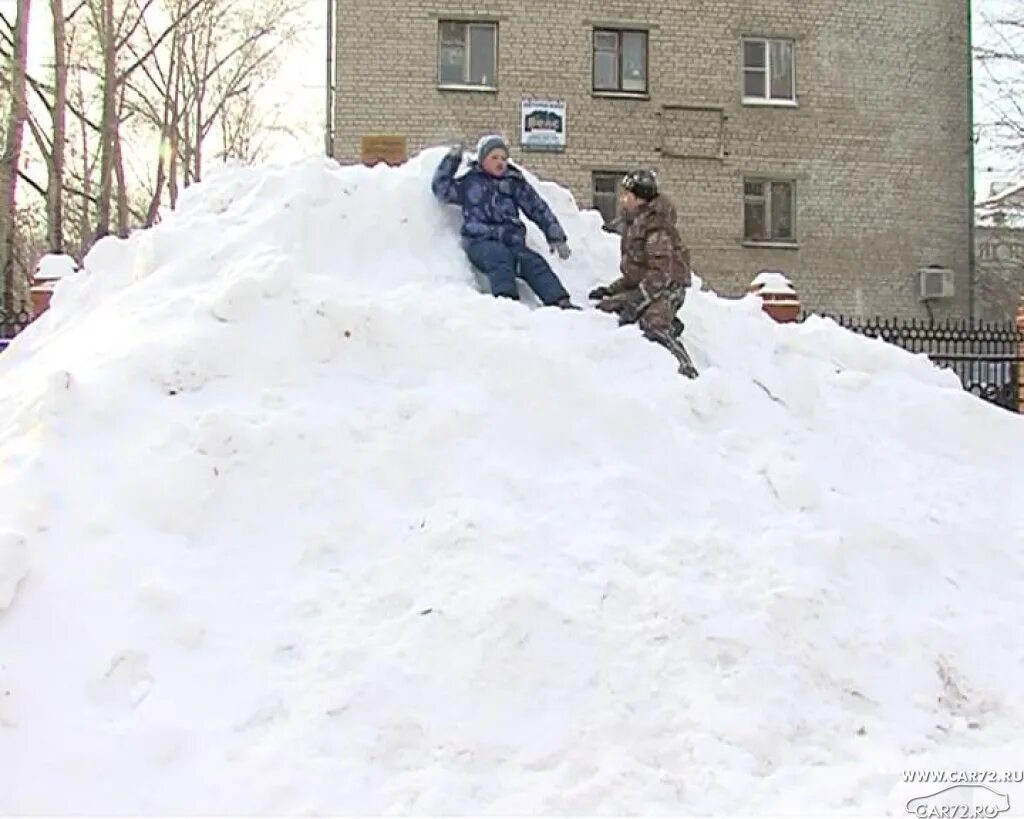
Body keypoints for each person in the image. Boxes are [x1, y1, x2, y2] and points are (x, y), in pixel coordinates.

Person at [432, 135, 579, 309]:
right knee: (499, 257)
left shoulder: (513, 182)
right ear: (482, 160)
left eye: (503, 158)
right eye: (494, 158)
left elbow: (537, 208)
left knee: (533, 261)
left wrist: (555, 236)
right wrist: (452, 159)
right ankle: (507, 303)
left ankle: (559, 300)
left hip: (512, 240)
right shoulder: (470, 182)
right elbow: (441, 188)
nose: (500, 162)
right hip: (480, 240)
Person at [588, 168, 698, 377]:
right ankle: (668, 320)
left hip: (668, 287)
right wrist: (611, 290)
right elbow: (637, 272)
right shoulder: (634, 222)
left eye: (627, 195)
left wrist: (637, 300)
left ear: (640, 199)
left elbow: (660, 274)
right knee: (609, 306)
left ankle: (685, 365)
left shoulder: (657, 229)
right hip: (648, 284)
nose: (622, 199)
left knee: (652, 324)